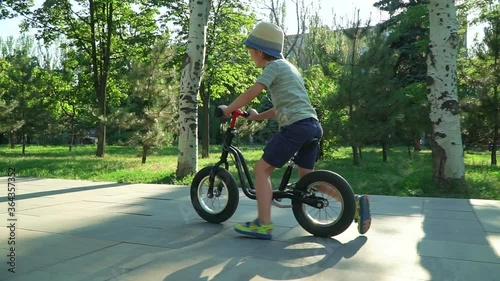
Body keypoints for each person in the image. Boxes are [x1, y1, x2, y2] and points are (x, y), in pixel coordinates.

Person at [222, 22, 371, 240]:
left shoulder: (272, 67)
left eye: (250, 51)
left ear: (260, 52)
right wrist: (256, 116)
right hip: (312, 126)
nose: (250, 56)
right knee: (308, 179)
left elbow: (252, 91)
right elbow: (280, 107)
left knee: (262, 170)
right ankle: (354, 201)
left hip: (296, 127)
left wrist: (230, 109)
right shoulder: (289, 68)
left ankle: (263, 224)